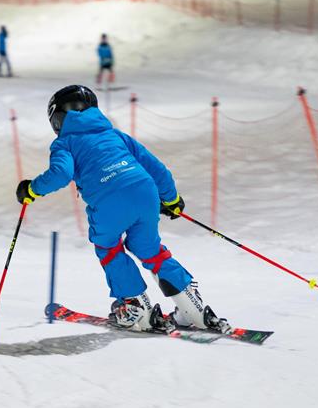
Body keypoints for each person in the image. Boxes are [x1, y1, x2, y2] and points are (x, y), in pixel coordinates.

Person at [15, 84, 229, 332]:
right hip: (145, 192)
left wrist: (31, 189)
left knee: (108, 247)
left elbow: (60, 174)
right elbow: (156, 167)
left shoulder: (65, 143)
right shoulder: (115, 135)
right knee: (149, 249)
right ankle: (193, 308)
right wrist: (170, 200)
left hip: (108, 200)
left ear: (58, 118)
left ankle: (136, 309)